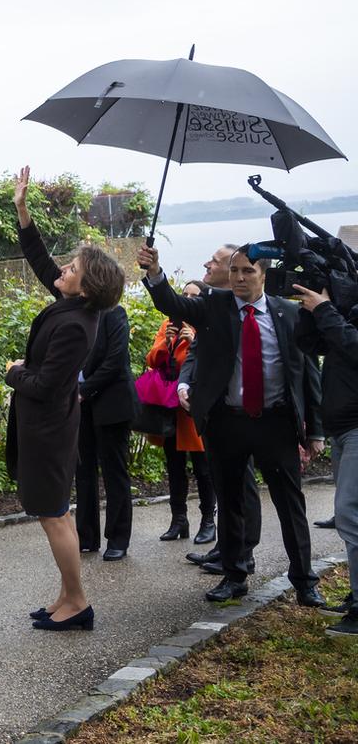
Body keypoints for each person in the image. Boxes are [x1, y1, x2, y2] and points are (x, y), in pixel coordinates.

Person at [137, 241, 325, 606]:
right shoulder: (213, 306)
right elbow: (171, 304)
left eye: (247, 272)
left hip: (276, 424)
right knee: (232, 500)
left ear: (263, 275)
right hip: (228, 422)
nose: (239, 278)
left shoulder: (289, 314)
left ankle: (304, 580)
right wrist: (155, 272)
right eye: (235, 270)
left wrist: (314, 430)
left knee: (290, 505)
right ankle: (235, 575)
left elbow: (308, 375)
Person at [7, 167, 124, 632]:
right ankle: (65, 595)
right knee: (58, 514)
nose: (64, 270)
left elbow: (47, 385)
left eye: (72, 269)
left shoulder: (78, 324)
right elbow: (41, 263)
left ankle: (77, 602)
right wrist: (22, 210)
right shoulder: (75, 305)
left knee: (54, 516)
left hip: (49, 431)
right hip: (48, 429)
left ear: (88, 286)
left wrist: (16, 373)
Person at [180, 244, 263, 575]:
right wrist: (185, 384)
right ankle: (225, 548)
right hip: (213, 412)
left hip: (242, 413)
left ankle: (244, 550)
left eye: (214, 261)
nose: (206, 264)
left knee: (243, 484)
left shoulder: (252, 310)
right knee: (225, 484)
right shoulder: (213, 307)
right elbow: (195, 351)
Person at [294, 282, 358, 636]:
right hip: (343, 428)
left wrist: (325, 310)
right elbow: (310, 344)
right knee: (352, 515)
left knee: (349, 514)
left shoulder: (340, 316)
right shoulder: (346, 310)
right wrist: (311, 312)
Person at [147, 281, 217, 544]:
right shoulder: (168, 326)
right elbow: (152, 359)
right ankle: (179, 520)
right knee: (174, 465)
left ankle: (208, 521)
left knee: (203, 468)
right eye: (184, 294)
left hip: (194, 407)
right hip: (170, 407)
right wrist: (167, 342)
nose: (187, 299)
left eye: (193, 296)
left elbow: (211, 363)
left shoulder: (207, 326)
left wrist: (194, 340)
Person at [75, 298, 139, 561]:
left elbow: (114, 360)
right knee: (83, 470)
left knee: (114, 472)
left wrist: (84, 389)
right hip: (81, 405)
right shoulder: (73, 312)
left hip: (111, 403)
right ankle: (86, 536)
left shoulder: (114, 313)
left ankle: (118, 538)